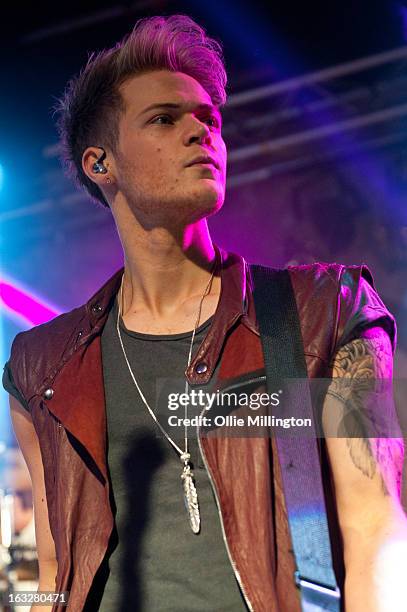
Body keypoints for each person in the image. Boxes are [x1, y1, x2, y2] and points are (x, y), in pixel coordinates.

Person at [2, 14, 406, 612]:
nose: (202, 131)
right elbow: (58, 565)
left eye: (209, 118)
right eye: (165, 119)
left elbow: (377, 528)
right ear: (99, 164)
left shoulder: (324, 312)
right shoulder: (41, 365)